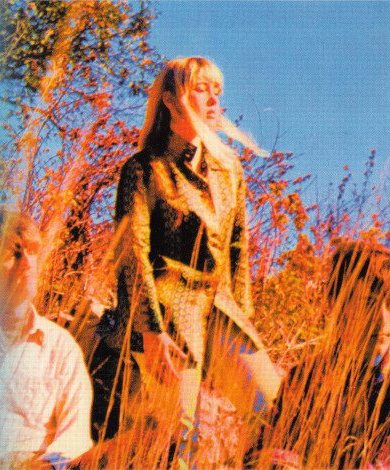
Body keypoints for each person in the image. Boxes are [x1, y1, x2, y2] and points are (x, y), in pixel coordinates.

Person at [91, 57, 285, 461]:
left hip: (222, 311)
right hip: (168, 315)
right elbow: (132, 255)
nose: (214, 99)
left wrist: (244, 318)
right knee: (182, 434)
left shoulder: (229, 170)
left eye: (217, 90)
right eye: (201, 88)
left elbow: (237, 251)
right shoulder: (144, 168)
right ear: (170, 100)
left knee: (276, 412)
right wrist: (150, 331)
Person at [261, 239, 390, 469]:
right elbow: (267, 451)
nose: (381, 319)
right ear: (337, 306)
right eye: (367, 303)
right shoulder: (304, 377)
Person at [0, 210, 93, 469]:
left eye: (33, 252)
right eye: (15, 253)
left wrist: (49, 466)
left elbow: (77, 435)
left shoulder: (61, 346)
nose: (27, 264)